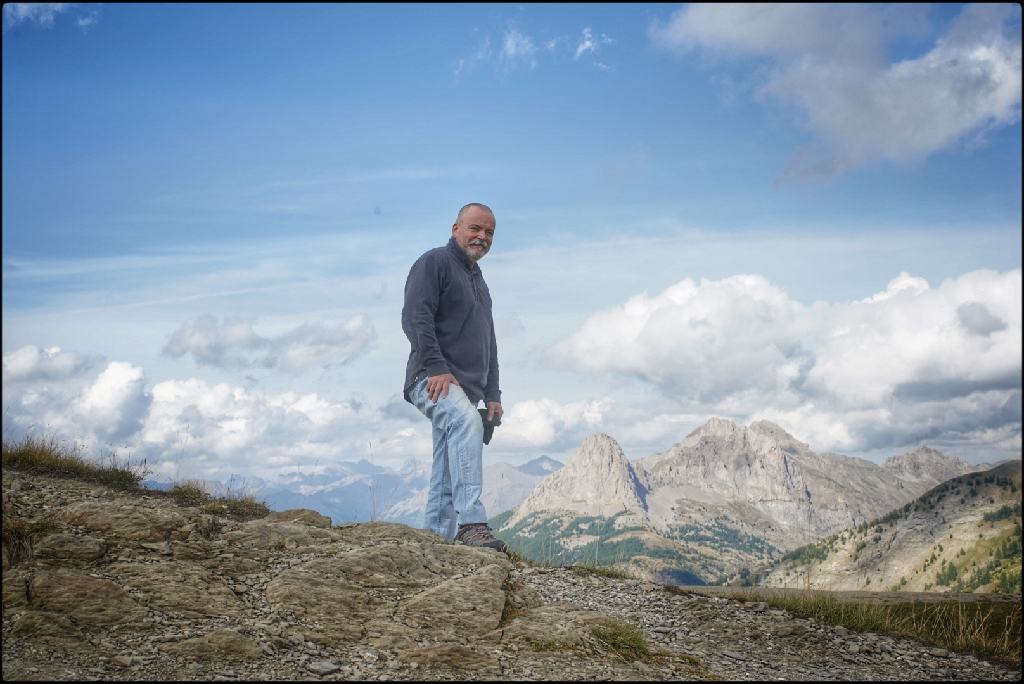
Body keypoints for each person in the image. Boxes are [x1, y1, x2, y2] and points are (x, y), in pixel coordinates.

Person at [401, 202, 507, 551]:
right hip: (431, 378)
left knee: (447, 465)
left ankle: (436, 544)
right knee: (466, 426)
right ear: (455, 229)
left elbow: (488, 339)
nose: (483, 236)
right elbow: (416, 316)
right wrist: (437, 367)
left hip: (466, 387)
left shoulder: (479, 280)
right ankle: (472, 524)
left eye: (489, 232)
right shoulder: (434, 262)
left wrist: (493, 393)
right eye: (475, 228)